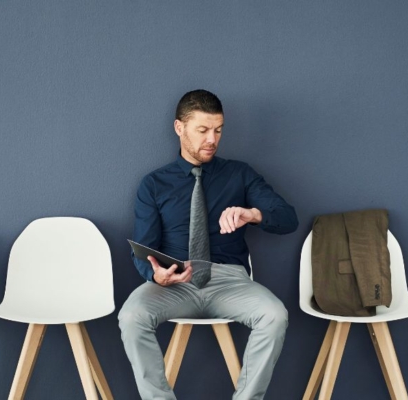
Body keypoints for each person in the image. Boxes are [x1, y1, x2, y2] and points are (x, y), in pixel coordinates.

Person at [119, 89, 298, 400]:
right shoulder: (154, 184)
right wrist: (156, 276)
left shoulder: (239, 174)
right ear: (180, 128)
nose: (212, 139)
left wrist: (252, 214)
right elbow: (143, 248)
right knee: (131, 316)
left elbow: (288, 218)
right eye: (202, 130)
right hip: (174, 283)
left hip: (230, 281)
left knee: (275, 315)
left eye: (218, 130)